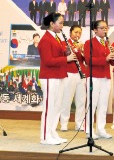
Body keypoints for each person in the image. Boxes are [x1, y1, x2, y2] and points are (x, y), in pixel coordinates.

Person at [38, 12, 76, 145]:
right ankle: (44, 137)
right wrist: (67, 58)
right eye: (60, 23)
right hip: (49, 76)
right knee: (49, 107)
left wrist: (65, 52)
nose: (62, 25)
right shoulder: (45, 39)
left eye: (62, 23)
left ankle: (52, 132)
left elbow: (57, 54)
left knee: (57, 106)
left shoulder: (57, 38)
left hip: (58, 75)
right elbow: (48, 60)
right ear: (51, 24)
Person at [83, 20, 114, 139]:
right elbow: (88, 60)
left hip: (106, 76)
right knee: (92, 104)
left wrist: (112, 57)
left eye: (106, 28)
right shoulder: (89, 43)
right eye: (102, 28)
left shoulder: (107, 43)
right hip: (94, 76)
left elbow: (110, 61)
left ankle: (101, 129)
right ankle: (89, 130)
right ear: (95, 30)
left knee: (103, 104)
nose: (105, 30)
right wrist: (105, 58)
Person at [59, 25, 86, 132]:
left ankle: (79, 123)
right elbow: (65, 54)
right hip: (69, 73)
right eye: (75, 32)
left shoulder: (81, 44)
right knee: (67, 99)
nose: (78, 35)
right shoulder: (64, 43)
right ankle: (64, 123)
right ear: (70, 32)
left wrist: (83, 51)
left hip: (81, 74)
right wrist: (76, 48)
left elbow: (85, 60)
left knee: (81, 100)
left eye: (79, 33)